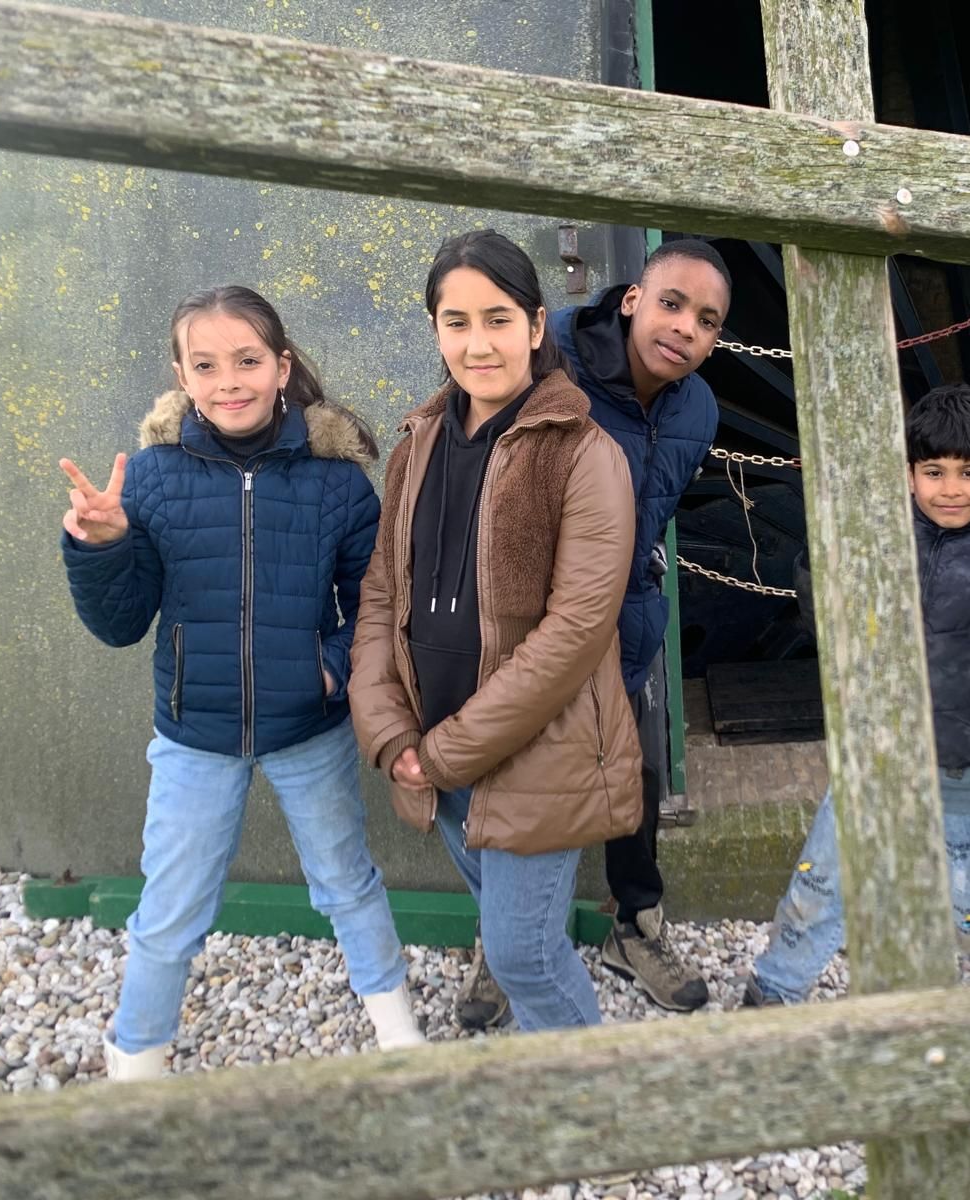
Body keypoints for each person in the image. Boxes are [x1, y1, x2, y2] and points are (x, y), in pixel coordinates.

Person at [59, 285, 422, 1081]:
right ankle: (134, 1068)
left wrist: (326, 669)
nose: (230, 380)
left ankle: (401, 1042)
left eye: (248, 360)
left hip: (309, 730)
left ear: (282, 367)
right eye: (207, 364)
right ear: (182, 377)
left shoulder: (335, 483)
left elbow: (371, 607)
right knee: (171, 910)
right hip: (195, 738)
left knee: (348, 884)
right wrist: (100, 547)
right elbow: (122, 622)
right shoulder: (151, 481)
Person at [348, 229, 640, 1031]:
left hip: (528, 754)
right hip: (429, 750)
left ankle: (598, 1123)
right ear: (436, 328)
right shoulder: (416, 446)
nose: (478, 344)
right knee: (520, 931)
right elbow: (382, 592)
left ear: (537, 326)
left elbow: (576, 631)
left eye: (498, 318)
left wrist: (446, 752)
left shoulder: (585, 455)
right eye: (456, 321)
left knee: (522, 957)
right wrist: (392, 733)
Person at [451, 238, 730, 1025]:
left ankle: (633, 926)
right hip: (525, 619)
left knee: (632, 773)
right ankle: (499, 940)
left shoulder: (698, 407)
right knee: (500, 770)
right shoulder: (551, 359)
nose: (685, 328)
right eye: (672, 303)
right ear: (634, 298)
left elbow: (653, 514)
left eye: (707, 321)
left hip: (624, 622)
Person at [742, 383, 970, 1006]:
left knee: (966, 897)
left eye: (969, 472)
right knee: (822, 882)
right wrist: (823, 561)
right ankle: (774, 990)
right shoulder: (880, 532)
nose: (951, 489)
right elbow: (828, 628)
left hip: (968, 760)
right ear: (908, 473)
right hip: (874, 750)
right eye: (934, 471)